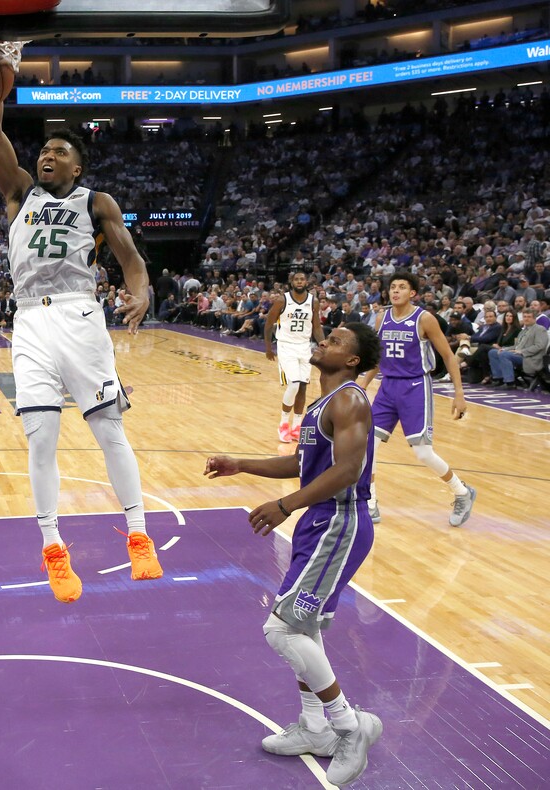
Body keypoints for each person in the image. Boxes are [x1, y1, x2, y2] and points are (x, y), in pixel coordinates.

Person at [0, 102, 161, 603]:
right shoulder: (20, 193)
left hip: (78, 314)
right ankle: (53, 547)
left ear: (76, 168)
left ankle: (139, 535)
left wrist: (141, 293)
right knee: (41, 440)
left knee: (108, 429)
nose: (47, 155)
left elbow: (131, 258)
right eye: (44, 150)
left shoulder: (95, 202)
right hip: (29, 321)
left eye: (59, 152)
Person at [205, 323, 384, 788]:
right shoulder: (324, 404)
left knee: (281, 629)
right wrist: (241, 464)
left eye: (336, 341)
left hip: (339, 523)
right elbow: (302, 465)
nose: (324, 342)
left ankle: (349, 727)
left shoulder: (350, 399)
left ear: (352, 361)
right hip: (319, 524)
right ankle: (315, 728)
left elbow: (348, 470)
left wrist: (286, 505)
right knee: (303, 628)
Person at [362, 270, 476, 527]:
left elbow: (448, 356)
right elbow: (378, 357)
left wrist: (459, 394)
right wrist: (363, 383)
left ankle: (462, 492)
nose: (395, 290)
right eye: (393, 286)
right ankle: (370, 501)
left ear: (412, 293)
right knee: (368, 445)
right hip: (387, 387)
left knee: (423, 453)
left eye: (401, 287)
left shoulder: (424, 318)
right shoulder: (381, 318)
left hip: (415, 387)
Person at [264, 270, 323, 443]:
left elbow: (316, 327)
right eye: (296, 279)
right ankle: (283, 424)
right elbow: (269, 324)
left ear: (306, 282)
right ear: (292, 282)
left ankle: (297, 426)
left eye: (302, 279)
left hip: (304, 346)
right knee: (295, 383)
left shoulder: (313, 301)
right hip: (286, 346)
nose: (299, 281)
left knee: (303, 387)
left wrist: (323, 344)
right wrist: (268, 348)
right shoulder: (282, 300)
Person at [488, 307, 549, 388]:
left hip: (530, 358)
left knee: (504, 355)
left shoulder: (540, 329)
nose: (526, 319)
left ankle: (510, 383)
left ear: (534, 318)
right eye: (525, 317)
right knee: (493, 352)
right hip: (519, 355)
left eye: (529, 317)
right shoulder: (523, 331)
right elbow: (516, 346)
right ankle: (499, 379)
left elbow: (540, 346)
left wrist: (522, 351)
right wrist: (504, 349)